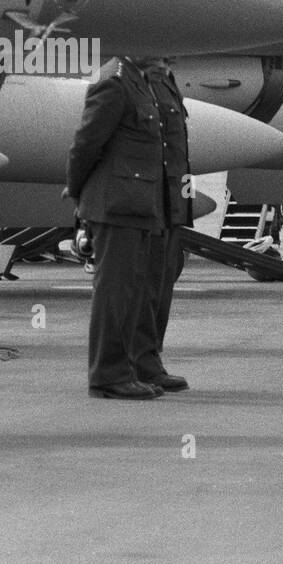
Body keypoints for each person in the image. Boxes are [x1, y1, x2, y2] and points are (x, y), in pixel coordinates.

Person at [66, 56, 191, 399]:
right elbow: (86, 144)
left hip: (138, 201)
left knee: (137, 291)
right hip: (116, 203)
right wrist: (78, 191)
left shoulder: (144, 80)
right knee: (116, 292)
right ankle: (108, 375)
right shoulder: (114, 82)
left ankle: (135, 365)